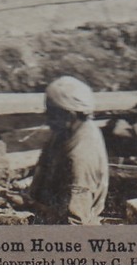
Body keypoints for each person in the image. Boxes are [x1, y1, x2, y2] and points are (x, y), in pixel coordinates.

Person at [29, 76, 109, 225]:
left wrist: (28, 204)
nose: (47, 119)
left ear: (69, 115)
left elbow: (73, 224)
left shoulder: (80, 157)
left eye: (52, 114)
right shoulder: (68, 131)